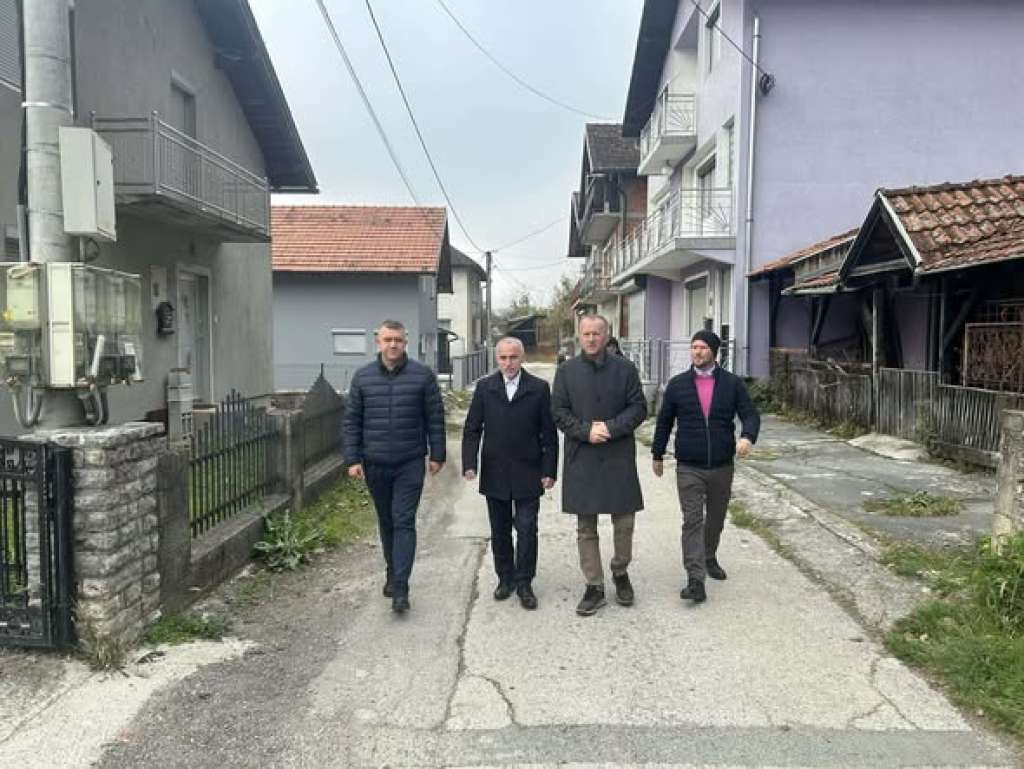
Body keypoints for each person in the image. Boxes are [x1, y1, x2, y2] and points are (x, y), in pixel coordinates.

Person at [343, 320, 445, 614]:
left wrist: (437, 454)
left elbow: (434, 417)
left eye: (398, 340)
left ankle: (401, 586)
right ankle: (392, 570)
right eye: (388, 339)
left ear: (405, 342)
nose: (393, 345)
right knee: (386, 521)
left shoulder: (422, 376)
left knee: (403, 520)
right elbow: (352, 421)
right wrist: (352, 459)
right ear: (378, 342)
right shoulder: (362, 377)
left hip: (409, 461)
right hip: (375, 463)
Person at [651, 329, 760, 604]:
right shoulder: (678, 385)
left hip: (722, 465)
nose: (697, 352)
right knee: (692, 520)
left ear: (714, 351)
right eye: (694, 347)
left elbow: (750, 414)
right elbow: (664, 421)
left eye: (702, 347)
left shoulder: (732, 384)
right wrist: (657, 453)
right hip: (689, 465)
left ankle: (709, 555)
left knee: (716, 518)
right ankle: (695, 579)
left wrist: (747, 437)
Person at [552, 314, 647, 616]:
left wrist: (610, 428)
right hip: (582, 455)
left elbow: (638, 408)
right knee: (586, 527)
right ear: (579, 336)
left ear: (606, 336)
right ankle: (594, 585)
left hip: (617, 454)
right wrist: (585, 431)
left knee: (625, 522)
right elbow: (559, 411)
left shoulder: (625, 369)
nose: (591, 339)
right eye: (586, 334)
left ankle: (620, 571)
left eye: (597, 333)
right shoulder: (566, 371)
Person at [462, 337, 558, 610]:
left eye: (513, 357)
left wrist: (549, 469)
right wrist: (470, 463)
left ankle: (525, 582)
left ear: (522, 357)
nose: (508, 363)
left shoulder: (538, 389)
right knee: (500, 529)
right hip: (495, 470)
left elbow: (548, 433)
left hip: (529, 469)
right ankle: (505, 578)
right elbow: (472, 428)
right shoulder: (485, 388)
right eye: (503, 358)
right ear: (497, 359)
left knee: (527, 528)